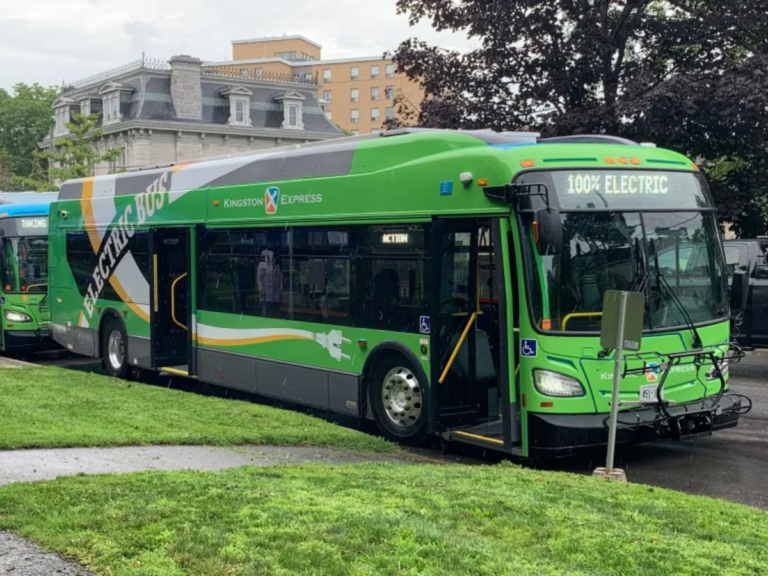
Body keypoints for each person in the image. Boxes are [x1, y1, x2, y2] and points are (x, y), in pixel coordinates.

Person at [257, 247, 282, 317]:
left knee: (275, 312)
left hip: (275, 294)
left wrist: (280, 291)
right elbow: (259, 278)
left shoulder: (277, 266)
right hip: (265, 293)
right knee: (266, 311)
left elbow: (279, 280)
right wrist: (261, 289)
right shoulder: (262, 265)